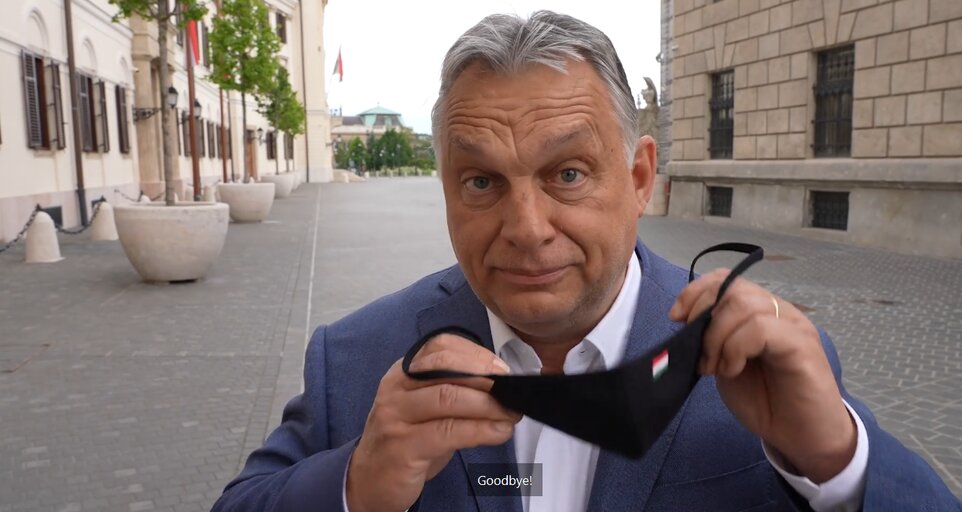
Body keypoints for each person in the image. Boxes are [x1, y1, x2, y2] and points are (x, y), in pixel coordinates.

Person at [212, 11, 960, 512]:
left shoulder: (759, 366)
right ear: (444, 188)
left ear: (639, 178)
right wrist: (358, 483)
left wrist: (837, 461)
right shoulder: (354, 360)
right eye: (481, 182)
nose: (526, 229)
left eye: (567, 173)